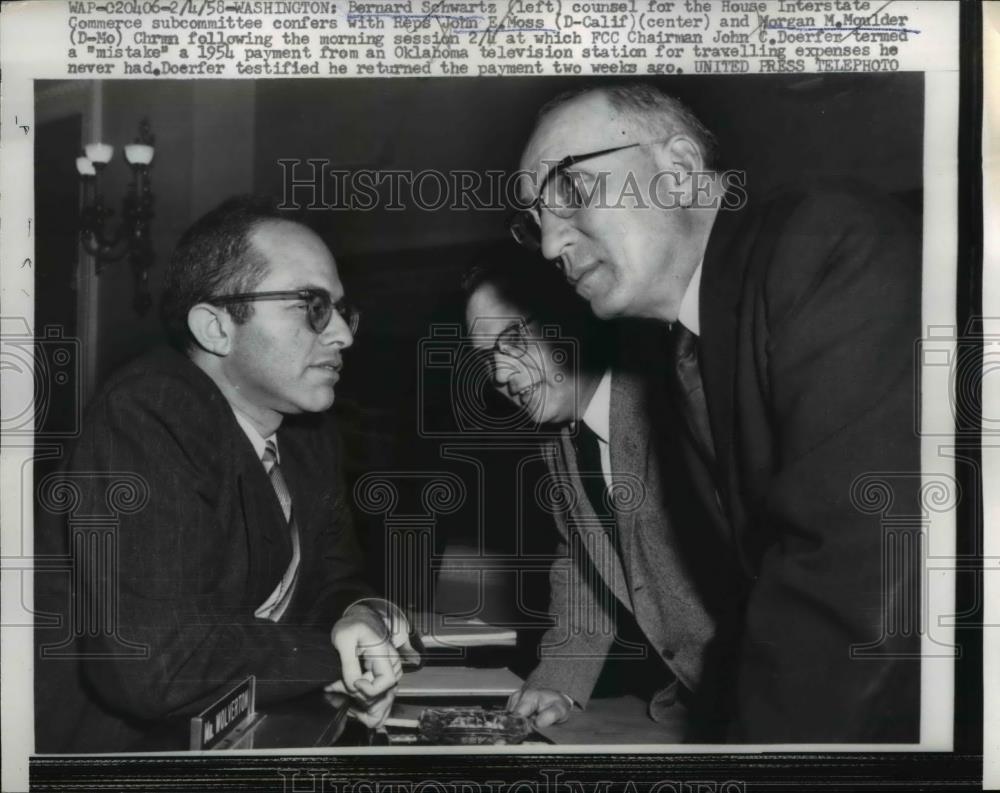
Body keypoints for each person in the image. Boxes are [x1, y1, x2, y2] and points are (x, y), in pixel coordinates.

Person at [511, 84, 921, 742]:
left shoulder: (825, 244)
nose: (551, 242)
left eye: (569, 189)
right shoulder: (688, 349)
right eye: (534, 218)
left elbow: (862, 576)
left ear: (676, 167)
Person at [34, 196, 416, 753]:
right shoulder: (150, 410)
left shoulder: (309, 436)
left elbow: (334, 581)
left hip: (244, 732)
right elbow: (157, 664)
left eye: (339, 309)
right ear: (215, 328)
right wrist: (337, 655)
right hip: (109, 757)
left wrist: (360, 614)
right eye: (311, 305)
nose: (343, 335)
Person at [462, 247, 723, 737]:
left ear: (575, 316)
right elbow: (587, 558)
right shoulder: (559, 438)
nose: (500, 375)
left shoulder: (681, 403)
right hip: (691, 704)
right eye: (488, 357)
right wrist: (559, 679)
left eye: (514, 338)